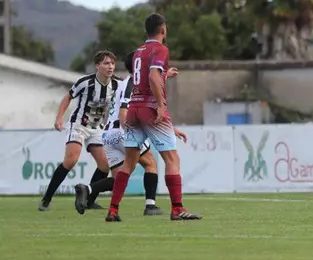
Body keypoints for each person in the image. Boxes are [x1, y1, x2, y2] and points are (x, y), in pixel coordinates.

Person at [105, 13, 200, 222]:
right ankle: (177, 208)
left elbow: (143, 77)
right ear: (163, 29)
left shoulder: (138, 52)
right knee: (172, 159)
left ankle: (112, 209)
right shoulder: (161, 49)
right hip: (149, 107)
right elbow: (153, 76)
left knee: (129, 163)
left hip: (134, 109)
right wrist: (161, 105)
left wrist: (165, 74)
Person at [73, 51, 168, 216]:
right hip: (122, 130)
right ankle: (150, 205)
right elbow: (124, 111)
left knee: (119, 179)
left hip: (108, 134)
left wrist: (165, 75)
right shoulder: (132, 83)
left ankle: (87, 189)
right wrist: (130, 132)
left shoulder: (123, 83)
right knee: (150, 164)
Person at [39, 51, 119, 211]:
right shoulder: (85, 82)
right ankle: (46, 199)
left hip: (96, 128)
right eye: (106, 63)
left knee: (104, 165)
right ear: (97, 66)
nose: (110, 66)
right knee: (71, 160)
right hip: (78, 125)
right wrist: (59, 118)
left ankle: (88, 200)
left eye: (112, 63)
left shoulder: (117, 84)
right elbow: (68, 97)